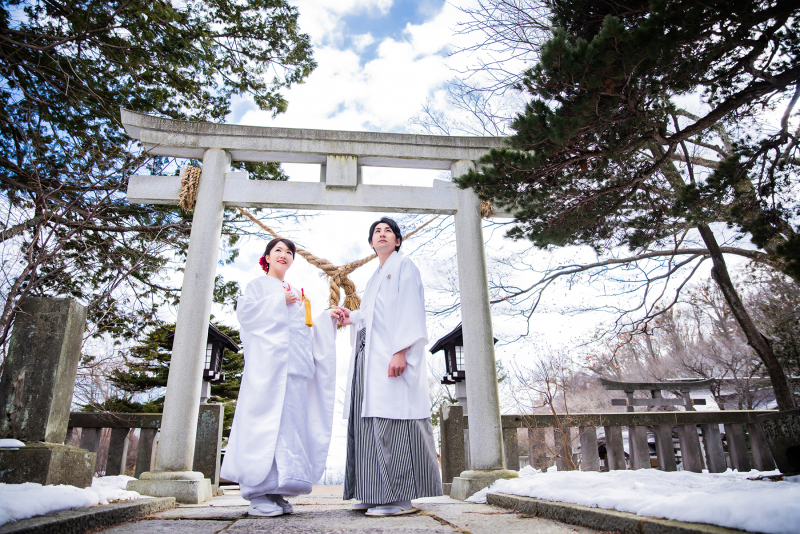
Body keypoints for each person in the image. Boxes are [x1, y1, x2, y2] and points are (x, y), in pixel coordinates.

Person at [221, 237, 345, 517]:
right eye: (278, 250)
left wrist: (327, 318)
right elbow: (247, 317)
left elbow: (306, 330)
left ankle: (276, 490)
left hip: (294, 372)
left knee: (289, 429)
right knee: (265, 426)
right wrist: (278, 300)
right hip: (268, 371)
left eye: (289, 252)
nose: (284, 255)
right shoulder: (257, 286)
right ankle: (257, 492)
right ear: (267, 256)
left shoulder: (297, 291)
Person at [339, 217, 442, 517]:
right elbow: (373, 316)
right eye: (376, 232)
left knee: (392, 421)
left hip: (392, 358)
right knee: (371, 421)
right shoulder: (375, 277)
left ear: (397, 240)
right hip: (371, 360)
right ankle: (373, 491)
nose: (382, 235)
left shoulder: (404, 267)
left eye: (388, 232)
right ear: (371, 243)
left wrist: (400, 351)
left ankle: (400, 498)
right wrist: (352, 318)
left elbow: (409, 308)